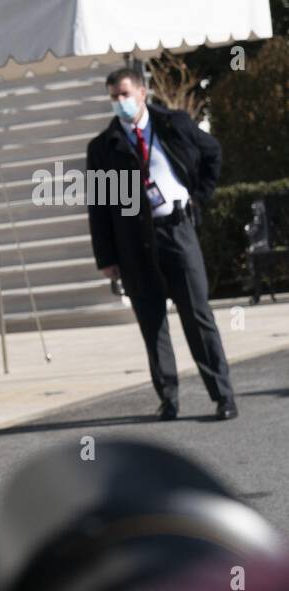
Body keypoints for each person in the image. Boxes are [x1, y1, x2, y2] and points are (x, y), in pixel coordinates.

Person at [86, 68, 236, 421]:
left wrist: (200, 197)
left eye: (124, 93)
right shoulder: (104, 147)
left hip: (177, 230)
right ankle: (168, 398)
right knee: (152, 322)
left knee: (198, 317)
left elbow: (212, 152)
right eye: (113, 97)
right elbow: (100, 207)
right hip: (134, 241)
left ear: (142, 92)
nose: (119, 102)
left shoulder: (173, 124)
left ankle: (223, 395)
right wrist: (106, 257)